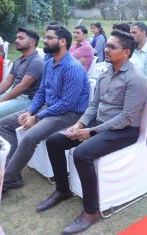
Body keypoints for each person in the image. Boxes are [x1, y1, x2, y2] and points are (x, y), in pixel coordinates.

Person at [37, 30, 147, 234]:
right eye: (107, 45)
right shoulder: (105, 72)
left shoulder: (135, 79)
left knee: (82, 153)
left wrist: (91, 132)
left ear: (125, 52)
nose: (106, 49)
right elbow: (94, 104)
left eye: (111, 47)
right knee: (54, 141)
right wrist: (79, 125)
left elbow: (126, 118)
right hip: (99, 124)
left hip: (124, 131)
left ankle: (92, 211)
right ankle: (63, 190)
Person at [0, 25, 90, 196]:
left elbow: (67, 104)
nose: (45, 41)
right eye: (46, 37)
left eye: (49, 38)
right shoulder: (49, 63)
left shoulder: (73, 68)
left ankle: (5, 180)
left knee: (29, 137)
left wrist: (38, 117)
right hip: (48, 109)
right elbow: (41, 92)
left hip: (68, 115)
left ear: (62, 42)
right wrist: (30, 112)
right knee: (4, 124)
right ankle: (12, 171)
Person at [0, 27, 44, 118]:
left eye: (21, 38)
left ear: (32, 42)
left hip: (27, 99)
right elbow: (7, 82)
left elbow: (22, 87)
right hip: (14, 95)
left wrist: (2, 100)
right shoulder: (19, 60)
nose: (16, 40)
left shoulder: (36, 62)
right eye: (17, 38)